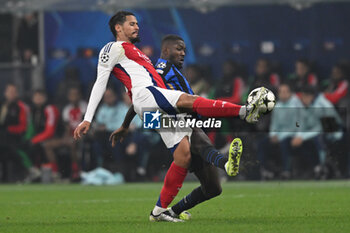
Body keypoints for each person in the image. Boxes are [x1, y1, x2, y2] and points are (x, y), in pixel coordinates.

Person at [73, 11, 265, 221]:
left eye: (137, 23)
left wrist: (126, 124)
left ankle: (159, 212)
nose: (137, 27)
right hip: (147, 96)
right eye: (131, 24)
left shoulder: (138, 54)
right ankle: (244, 112)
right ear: (118, 28)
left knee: (183, 154)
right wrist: (88, 118)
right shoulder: (113, 48)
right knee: (192, 104)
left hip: (149, 106)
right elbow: (100, 82)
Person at [43, 87, 86, 180]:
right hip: (70, 136)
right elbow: (67, 128)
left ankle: (75, 171)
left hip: (82, 136)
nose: (73, 97)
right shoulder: (67, 109)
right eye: (71, 95)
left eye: (75, 94)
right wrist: (65, 138)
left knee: (72, 143)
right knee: (48, 145)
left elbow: (86, 126)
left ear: (80, 96)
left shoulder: (85, 107)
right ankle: (55, 172)